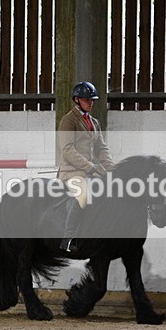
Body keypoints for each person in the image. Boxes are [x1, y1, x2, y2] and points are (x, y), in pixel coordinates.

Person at [57, 81, 115, 253]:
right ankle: (68, 239)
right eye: (87, 100)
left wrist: (112, 170)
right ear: (76, 100)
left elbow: (101, 149)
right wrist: (90, 168)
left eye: (92, 100)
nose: (91, 103)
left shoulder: (94, 122)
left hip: (91, 172)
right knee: (82, 196)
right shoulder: (68, 121)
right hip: (72, 172)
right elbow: (67, 150)